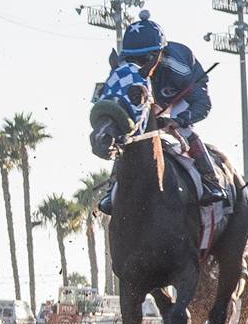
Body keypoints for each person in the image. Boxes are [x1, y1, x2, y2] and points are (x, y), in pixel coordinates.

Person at [92, 11, 229, 206]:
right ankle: (112, 187)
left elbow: (203, 104)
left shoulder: (178, 68)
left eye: (144, 59)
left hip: (179, 93)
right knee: (128, 131)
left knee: (183, 129)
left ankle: (211, 181)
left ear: (158, 55)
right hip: (149, 98)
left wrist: (178, 119)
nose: (137, 66)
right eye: (132, 59)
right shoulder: (125, 70)